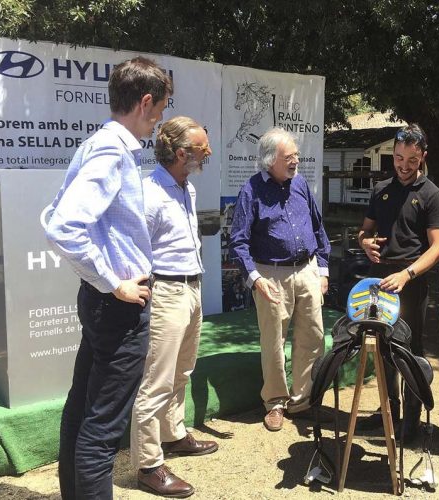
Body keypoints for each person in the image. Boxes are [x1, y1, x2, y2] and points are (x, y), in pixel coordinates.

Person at [45, 56, 172, 499]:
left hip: (104, 302)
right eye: (161, 109)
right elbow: (61, 225)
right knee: (102, 429)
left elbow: (54, 213)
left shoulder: (98, 143)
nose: (160, 120)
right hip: (118, 305)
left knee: (82, 411)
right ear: (145, 101)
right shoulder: (112, 149)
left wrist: (100, 279)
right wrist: (111, 281)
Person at [130, 117, 217, 498]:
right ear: (181, 153)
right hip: (165, 292)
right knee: (156, 380)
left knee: (182, 370)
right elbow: (135, 250)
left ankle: (174, 434)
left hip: (191, 288)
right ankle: (148, 466)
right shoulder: (149, 193)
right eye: (203, 150)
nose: (208, 155)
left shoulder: (187, 188)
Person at [228, 127, 331, 432]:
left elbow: (318, 226)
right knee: (273, 341)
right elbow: (238, 241)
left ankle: (303, 402)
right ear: (270, 160)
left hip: (308, 269)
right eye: (289, 157)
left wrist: (322, 269)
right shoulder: (251, 191)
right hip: (270, 274)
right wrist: (255, 279)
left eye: (296, 155)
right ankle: (275, 402)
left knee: (313, 337)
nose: (296, 161)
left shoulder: (299, 184)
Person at [357, 124, 439, 442]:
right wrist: (365, 242)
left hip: (411, 282)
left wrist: (408, 274)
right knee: (382, 350)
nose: (404, 165)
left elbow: (438, 248)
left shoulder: (431, 194)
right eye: (398, 158)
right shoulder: (381, 188)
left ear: (422, 156)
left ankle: (411, 419)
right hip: (379, 283)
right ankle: (388, 413)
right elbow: (364, 231)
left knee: (408, 351)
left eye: (411, 159)